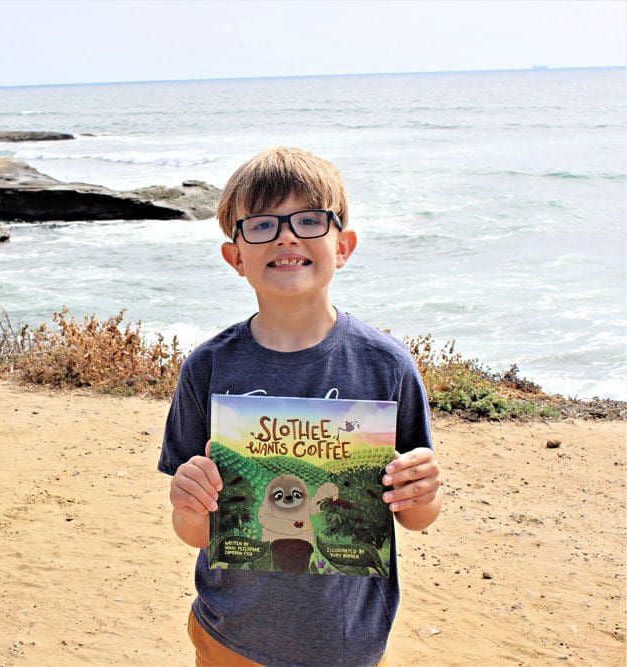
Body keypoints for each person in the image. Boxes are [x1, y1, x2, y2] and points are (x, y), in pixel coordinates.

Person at [159, 146, 443, 667]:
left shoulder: (386, 366)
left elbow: (415, 517)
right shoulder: (207, 367)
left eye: (310, 220)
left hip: (345, 644)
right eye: (262, 225)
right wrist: (187, 504)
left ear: (344, 245)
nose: (287, 236)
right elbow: (195, 533)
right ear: (236, 256)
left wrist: (423, 489)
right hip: (229, 636)